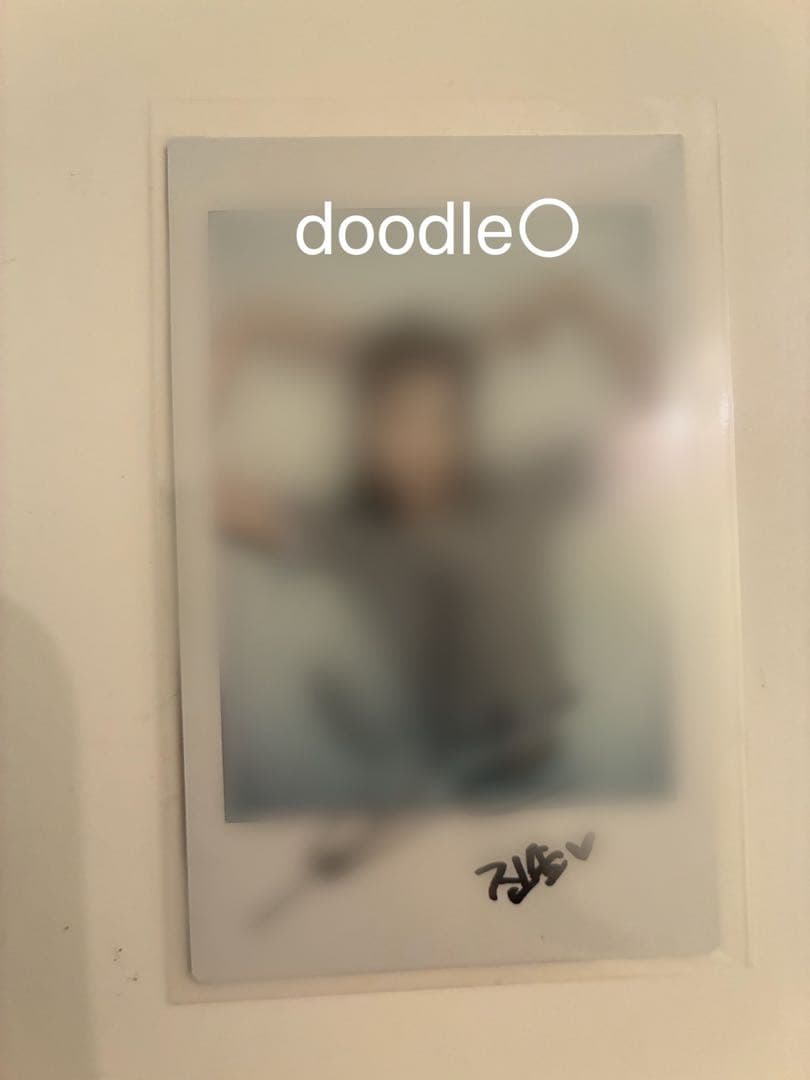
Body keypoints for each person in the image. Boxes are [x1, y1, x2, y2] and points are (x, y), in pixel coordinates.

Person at [214, 283, 655, 811]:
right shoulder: (351, 535)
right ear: (367, 428)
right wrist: (251, 325)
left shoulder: (523, 494)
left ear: (465, 422)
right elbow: (198, 490)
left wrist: (577, 301)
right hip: (444, 797)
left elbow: (655, 411)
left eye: (441, 417)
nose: (421, 442)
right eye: (399, 418)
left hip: (557, 785)